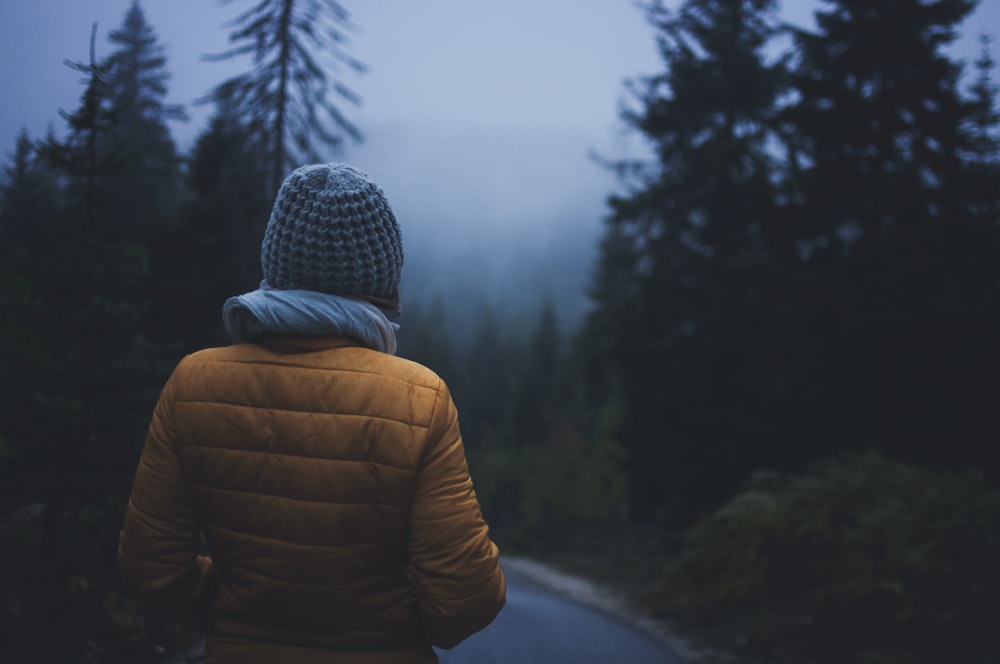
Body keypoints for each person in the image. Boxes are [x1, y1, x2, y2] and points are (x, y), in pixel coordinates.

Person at [118, 163, 507, 663]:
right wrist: (396, 630)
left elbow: (150, 567)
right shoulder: (418, 398)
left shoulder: (194, 382)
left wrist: (232, 612)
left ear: (277, 263)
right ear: (382, 280)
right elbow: (468, 598)